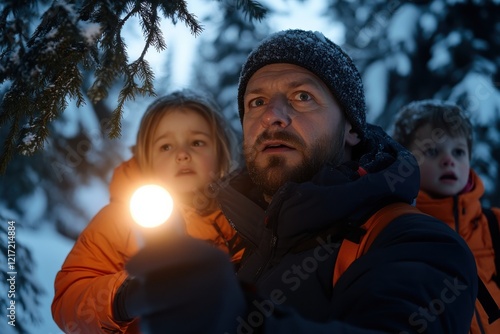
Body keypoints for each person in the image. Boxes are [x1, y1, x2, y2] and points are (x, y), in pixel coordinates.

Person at [116, 29, 479, 333]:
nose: (273, 115)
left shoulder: (416, 241)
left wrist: (236, 316)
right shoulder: (236, 243)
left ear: (351, 127)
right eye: (256, 102)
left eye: (302, 97)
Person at [51, 89, 243, 333]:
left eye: (197, 142)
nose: (182, 154)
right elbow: (69, 303)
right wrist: (124, 297)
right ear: (145, 158)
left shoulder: (243, 218)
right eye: (166, 146)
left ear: (221, 152)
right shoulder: (119, 221)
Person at [392, 99, 500, 334]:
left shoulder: (495, 225)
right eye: (432, 150)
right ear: (405, 161)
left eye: (459, 151)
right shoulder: (394, 230)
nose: (449, 160)